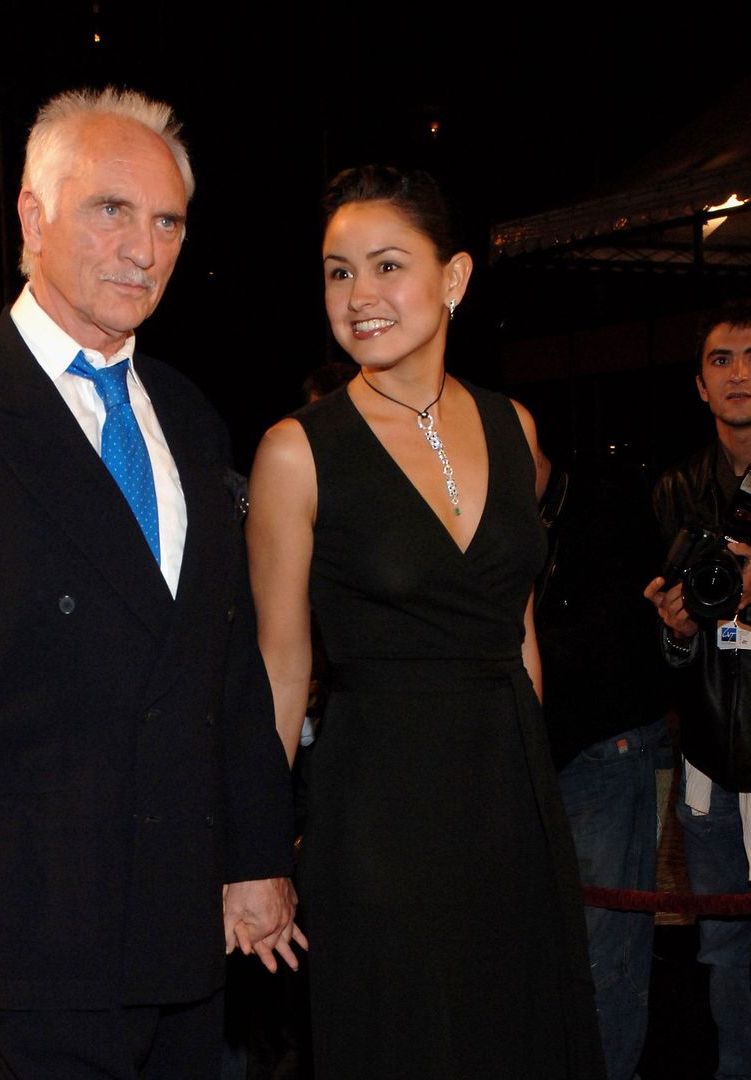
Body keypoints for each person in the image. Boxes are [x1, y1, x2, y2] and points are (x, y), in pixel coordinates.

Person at [0, 86, 300, 1080]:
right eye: (111, 211)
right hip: (31, 914)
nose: (145, 247)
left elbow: (226, 664)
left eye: (168, 220)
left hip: (184, 917)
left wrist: (257, 855)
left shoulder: (191, 413)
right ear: (33, 218)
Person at [246, 164, 604, 1078]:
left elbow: (517, 628)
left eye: (386, 266)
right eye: (337, 271)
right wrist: (252, 855)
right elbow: (281, 668)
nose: (359, 296)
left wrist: (538, 789)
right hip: (378, 814)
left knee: (520, 1038)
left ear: (454, 279)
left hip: (511, 794)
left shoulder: (512, 425)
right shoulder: (296, 452)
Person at [644, 301, 751, 1080]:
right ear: (700, 384)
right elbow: (667, 651)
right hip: (713, 758)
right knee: (723, 949)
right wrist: (676, 628)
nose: (740, 374)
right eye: (722, 360)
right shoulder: (677, 492)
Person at [536, 459, 670, 1080]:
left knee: (606, 951)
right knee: (558, 950)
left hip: (604, 748)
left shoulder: (607, 500)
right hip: (540, 756)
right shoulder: (506, 517)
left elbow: (618, 631)